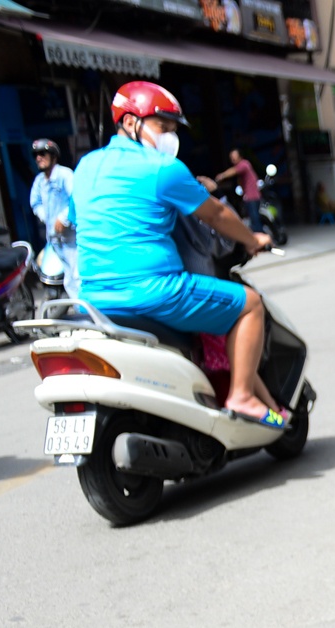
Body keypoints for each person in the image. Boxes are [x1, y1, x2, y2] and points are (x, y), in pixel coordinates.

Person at [69, 81, 283, 428]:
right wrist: (252, 239)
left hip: (93, 298)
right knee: (250, 303)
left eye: (171, 129)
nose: (169, 136)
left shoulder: (85, 168)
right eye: (161, 126)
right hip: (155, 292)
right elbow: (215, 215)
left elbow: (75, 220)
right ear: (129, 123)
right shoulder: (161, 168)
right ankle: (242, 395)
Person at [28, 139, 76, 292]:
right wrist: (47, 217)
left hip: (71, 238)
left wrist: (63, 218)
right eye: (35, 155)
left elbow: (76, 198)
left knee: (76, 276)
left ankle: (87, 312)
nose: (38, 158)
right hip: (54, 239)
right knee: (64, 279)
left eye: (42, 153)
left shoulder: (65, 175)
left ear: (54, 156)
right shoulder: (39, 181)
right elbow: (35, 203)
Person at [215, 147, 263, 232]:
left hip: (251, 197)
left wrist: (221, 176)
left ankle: (261, 239)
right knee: (253, 219)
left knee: (255, 221)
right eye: (231, 157)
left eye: (234, 156)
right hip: (252, 196)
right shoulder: (243, 166)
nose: (232, 159)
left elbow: (233, 171)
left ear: (240, 156)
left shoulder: (243, 164)